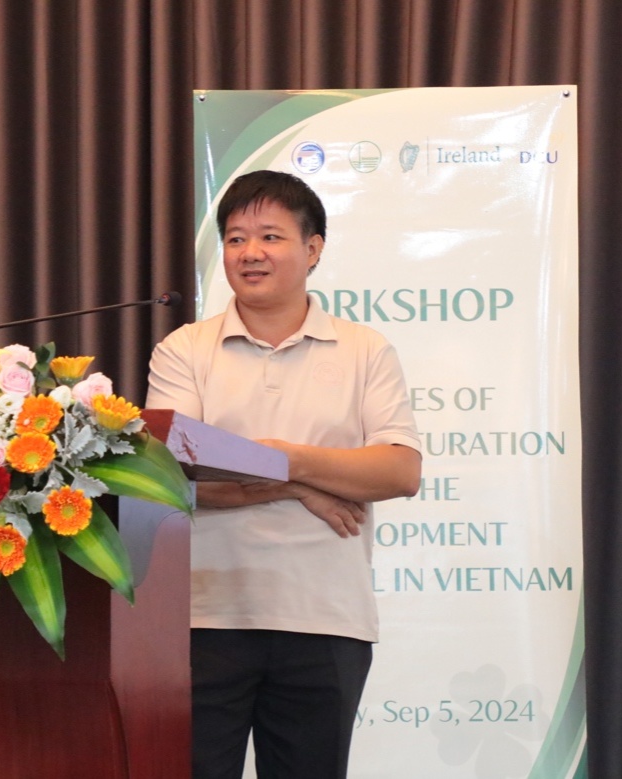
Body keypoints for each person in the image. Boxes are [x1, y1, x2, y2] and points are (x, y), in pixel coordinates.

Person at [146, 170, 422, 779]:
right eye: (235, 239)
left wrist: (288, 460)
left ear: (313, 248)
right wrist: (299, 486)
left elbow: (401, 470)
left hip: (325, 618)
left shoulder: (364, 349)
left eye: (270, 236)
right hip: (202, 618)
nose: (250, 253)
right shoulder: (184, 350)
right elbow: (170, 477)